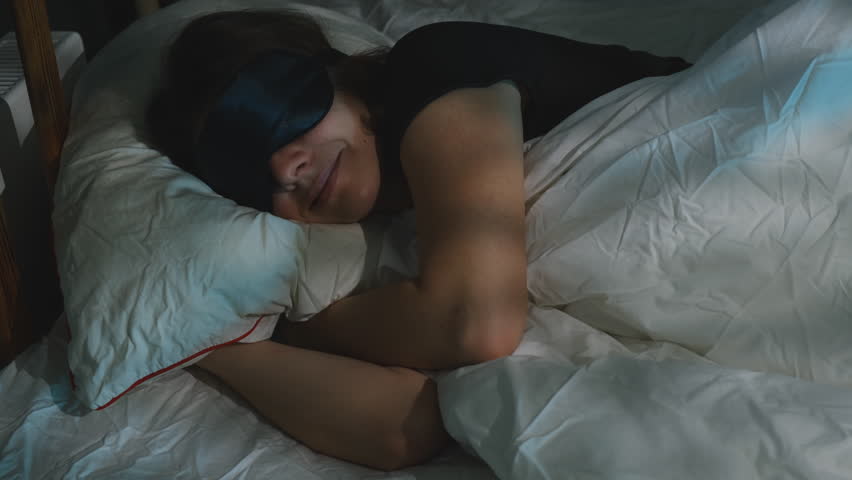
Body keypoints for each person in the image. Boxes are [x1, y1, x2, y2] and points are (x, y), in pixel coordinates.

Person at [146, 9, 691, 471]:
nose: (286, 168)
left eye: (283, 115)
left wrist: (301, 330)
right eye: (251, 180)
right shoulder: (367, 246)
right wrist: (215, 343)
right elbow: (404, 425)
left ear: (334, 76)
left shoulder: (431, 66)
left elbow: (473, 323)